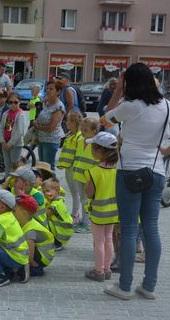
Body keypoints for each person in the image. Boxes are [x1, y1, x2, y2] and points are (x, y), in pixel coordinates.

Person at [102, 63, 170, 300]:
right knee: (151, 229)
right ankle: (149, 286)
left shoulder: (130, 106)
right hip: (155, 172)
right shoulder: (166, 106)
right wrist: (166, 151)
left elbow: (105, 118)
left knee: (129, 228)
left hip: (129, 172)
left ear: (129, 83)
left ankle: (124, 287)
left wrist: (118, 88)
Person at [83, 132, 119, 282]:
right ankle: (107, 269)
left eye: (92, 148)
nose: (90, 150)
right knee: (109, 239)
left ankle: (98, 271)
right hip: (113, 212)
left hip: (98, 212)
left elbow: (89, 193)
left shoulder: (93, 172)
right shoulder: (118, 170)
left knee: (98, 242)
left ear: (100, 151)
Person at [0, 190, 29, 287]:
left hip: (15, 257)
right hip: (21, 256)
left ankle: (0, 277)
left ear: (3, 207)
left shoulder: (0, 220)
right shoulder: (9, 216)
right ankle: (14, 269)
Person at [14, 194, 55, 277]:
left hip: (42, 257)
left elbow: (30, 254)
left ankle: (35, 268)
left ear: (24, 213)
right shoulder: (26, 222)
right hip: (41, 252)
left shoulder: (30, 231)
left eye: (14, 210)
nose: (11, 212)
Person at [72, 117, 100, 234]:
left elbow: (97, 161)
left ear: (94, 131)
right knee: (83, 198)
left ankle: (87, 223)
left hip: (90, 177)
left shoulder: (96, 143)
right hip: (78, 174)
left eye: (86, 130)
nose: (82, 132)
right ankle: (84, 221)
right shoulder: (79, 140)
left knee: (87, 200)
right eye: (82, 129)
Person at [56, 111, 83, 223]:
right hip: (68, 167)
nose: (65, 122)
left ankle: (75, 215)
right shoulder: (70, 134)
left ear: (73, 122)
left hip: (74, 168)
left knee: (77, 193)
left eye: (67, 120)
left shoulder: (79, 136)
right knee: (73, 193)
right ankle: (75, 214)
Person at [33, 80, 66, 170]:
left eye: (51, 89)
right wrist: (37, 121)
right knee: (42, 167)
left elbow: (52, 127)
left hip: (51, 140)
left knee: (49, 168)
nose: (48, 90)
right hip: (41, 139)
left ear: (58, 92)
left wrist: (38, 127)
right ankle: (44, 184)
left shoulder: (59, 107)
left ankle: (53, 184)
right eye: (47, 88)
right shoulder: (47, 103)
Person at [0, 92, 28, 177]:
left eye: (15, 102)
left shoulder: (21, 114)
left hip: (16, 144)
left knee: (15, 166)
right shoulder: (6, 113)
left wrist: (10, 143)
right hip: (5, 143)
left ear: (19, 102)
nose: (13, 104)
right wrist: (3, 141)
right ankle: (7, 182)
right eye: (10, 102)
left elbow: (20, 131)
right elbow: (1, 128)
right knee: (7, 165)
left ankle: (13, 184)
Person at [43, 178, 73, 251]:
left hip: (62, 230)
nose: (45, 194)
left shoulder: (56, 204)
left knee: (46, 222)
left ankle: (57, 243)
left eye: (47, 191)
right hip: (65, 228)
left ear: (56, 191)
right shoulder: (58, 199)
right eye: (43, 192)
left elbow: (46, 213)